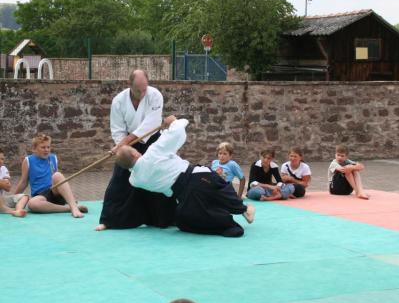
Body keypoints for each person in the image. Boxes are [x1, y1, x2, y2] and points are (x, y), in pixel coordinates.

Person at [116, 116, 255, 238]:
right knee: (221, 186)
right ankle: (243, 209)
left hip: (184, 199)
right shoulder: (152, 153)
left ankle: (229, 220)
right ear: (135, 154)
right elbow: (176, 133)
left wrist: (121, 153)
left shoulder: (135, 180)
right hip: (197, 179)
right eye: (134, 150)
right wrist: (174, 121)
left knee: (189, 221)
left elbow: (131, 165)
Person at [97, 69, 176, 231]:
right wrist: (122, 146)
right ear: (129, 85)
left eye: (144, 88)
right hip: (128, 144)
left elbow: (151, 123)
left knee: (158, 177)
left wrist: (123, 143)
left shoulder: (155, 95)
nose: (142, 93)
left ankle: (165, 218)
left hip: (152, 140)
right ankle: (109, 220)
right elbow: (117, 128)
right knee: (120, 179)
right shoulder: (118, 101)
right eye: (138, 89)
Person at [14, 134, 88, 218]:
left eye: (48, 147)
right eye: (43, 147)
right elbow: (23, 182)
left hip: (53, 191)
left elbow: (58, 181)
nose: (46, 150)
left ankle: (74, 208)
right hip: (40, 197)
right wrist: (14, 197)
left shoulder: (53, 158)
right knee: (32, 204)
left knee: (57, 175)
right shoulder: (28, 160)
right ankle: (67, 208)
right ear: (34, 149)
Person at [0, 149, 29, 217]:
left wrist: (3, 184)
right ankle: (9, 210)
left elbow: (7, 187)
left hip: (2, 199)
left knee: (24, 196)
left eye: (2, 159)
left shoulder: (3, 169)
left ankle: (18, 210)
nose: (0, 161)